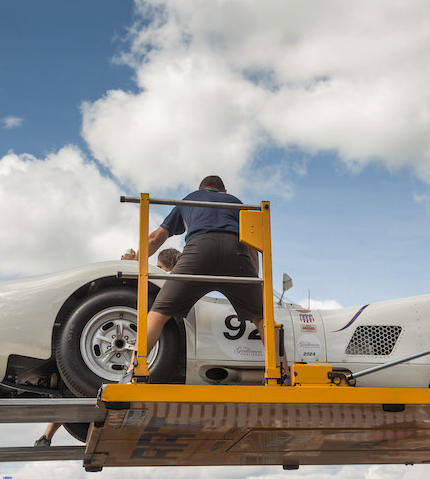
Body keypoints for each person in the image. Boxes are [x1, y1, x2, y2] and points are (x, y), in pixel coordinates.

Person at [121, 175, 278, 383]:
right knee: (262, 317)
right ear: (224, 191)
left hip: (199, 250)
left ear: (202, 189)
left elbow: (155, 238)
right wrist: (253, 283)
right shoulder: (236, 202)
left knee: (158, 313)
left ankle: (134, 371)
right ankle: (279, 372)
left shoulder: (190, 199)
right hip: (236, 254)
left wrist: (135, 261)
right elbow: (253, 247)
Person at [34, 248, 182, 447]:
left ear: (162, 268)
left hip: (151, 346)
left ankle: (46, 436)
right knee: (74, 382)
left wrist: (130, 262)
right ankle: (47, 436)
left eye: (160, 268)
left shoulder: (165, 281)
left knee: (72, 384)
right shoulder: (175, 283)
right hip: (145, 349)